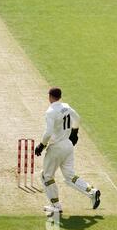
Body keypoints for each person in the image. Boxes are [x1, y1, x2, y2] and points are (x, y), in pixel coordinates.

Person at [34, 87, 101, 215]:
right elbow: (78, 118)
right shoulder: (66, 106)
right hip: (68, 146)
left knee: (46, 176)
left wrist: (41, 145)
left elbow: (48, 132)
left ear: (50, 96)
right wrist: (75, 132)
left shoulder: (50, 112)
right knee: (69, 176)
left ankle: (56, 206)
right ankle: (92, 192)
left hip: (56, 148)